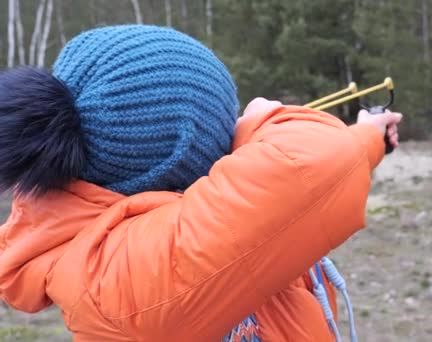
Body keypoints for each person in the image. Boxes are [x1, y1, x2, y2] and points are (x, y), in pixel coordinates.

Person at [0, 25, 402, 341]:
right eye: (225, 122)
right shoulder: (122, 280)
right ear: (183, 159)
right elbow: (317, 160)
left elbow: (308, 172)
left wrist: (368, 138)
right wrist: (260, 122)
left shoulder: (103, 237)